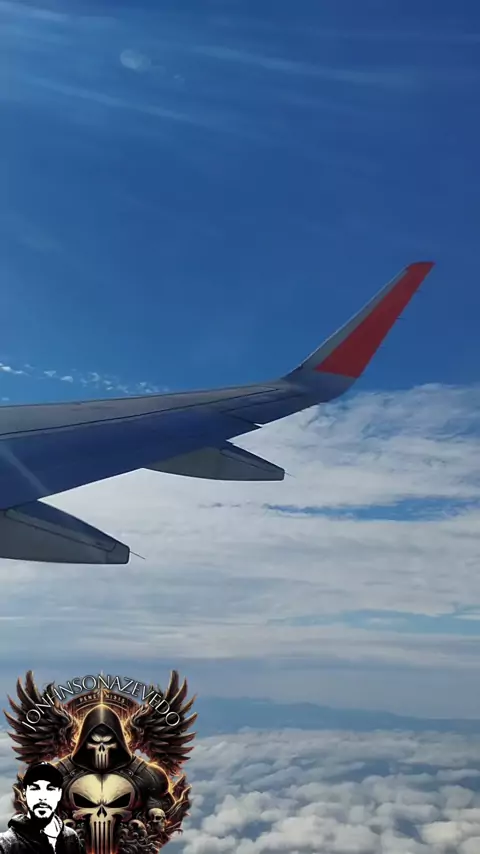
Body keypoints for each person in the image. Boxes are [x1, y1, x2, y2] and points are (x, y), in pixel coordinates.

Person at [0, 762, 84, 853]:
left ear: (59, 794)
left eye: (50, 789)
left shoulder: (71, 837)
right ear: (24, 793)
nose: (42, 797)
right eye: (35, 788)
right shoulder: (6, 843)